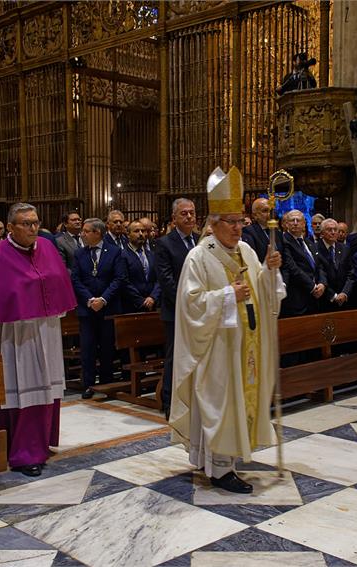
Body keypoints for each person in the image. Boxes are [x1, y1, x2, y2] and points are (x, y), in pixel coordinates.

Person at [170, 166, 285, 494]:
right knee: (219, 404)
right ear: (213, 224)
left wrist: (270, 274)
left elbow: (262, 291)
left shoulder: (247, 251)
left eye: (241, 221)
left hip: (244, 345)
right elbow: (190, 304)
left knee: (238, 402)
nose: (238, 228)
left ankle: (230, 458)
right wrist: (226, 296)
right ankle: (219, 469)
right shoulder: (198, 258)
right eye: (231, 222)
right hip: (216, 348)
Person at [0, 203, 76, 476]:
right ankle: (22, 452)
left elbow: (57, 282)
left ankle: (41, 443)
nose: (33, 228)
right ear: (10, 227)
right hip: (15, 337)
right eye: (26, 223)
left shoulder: (47, 248)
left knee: (45, 389)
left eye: (35, 222)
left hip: (47, 330)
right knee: (23, 391)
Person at [72, 218, 127, 399]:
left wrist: (103, 299)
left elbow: (119, 279)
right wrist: (89, 299)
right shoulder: (79, 254)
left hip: (108, 308)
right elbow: (76, 280)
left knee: (106, 348)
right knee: (87, 349)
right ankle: (88, 385)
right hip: (87, 309)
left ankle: (106, 383)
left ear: (97, 233)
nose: (83, 234)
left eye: (86, 231)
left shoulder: (114, 252)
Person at [155, 198, 198, 418]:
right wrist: (186, 305)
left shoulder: (201, 241)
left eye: (192, 213)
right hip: (176, 311)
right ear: (174, 218)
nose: (189, 217)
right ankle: (170, 402)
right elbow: (166, 280)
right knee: (175, 357)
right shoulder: (165, 243)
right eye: (184, 213)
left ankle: (194, 399)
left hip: (199, 311)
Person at [280, 209, 327, 317]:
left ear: (304, 224)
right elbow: (292, 268)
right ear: (286, 224)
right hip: (297, 299)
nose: (295, 223)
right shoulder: (284, 241)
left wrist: (322, 283)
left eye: (298, 220)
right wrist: (312, 287)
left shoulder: (308, 242)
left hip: (315, 299)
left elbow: (319, 265)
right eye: (292, 220)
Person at [122, 220, 160, 313]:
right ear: (128, 234)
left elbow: (159, 279)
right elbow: (124, 282)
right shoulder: (122, 255)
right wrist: (141, 301)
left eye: (143, 231)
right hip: (132, 307)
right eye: (136, 231)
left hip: (152, 305)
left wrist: (152, 297)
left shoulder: (152, 255)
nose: (141, 234)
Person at [317, 218, 352, 309]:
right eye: (329, 230)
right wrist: (334, 296)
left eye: (335, 230)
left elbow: (351, 272)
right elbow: (318, 274)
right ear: (322, 233)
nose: (333, 232)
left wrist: (345, 292)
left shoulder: (345, 249)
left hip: (344, 298)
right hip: (324, 300)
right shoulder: (315, 249)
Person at [241, 197, 278, 263]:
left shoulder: (277, 233)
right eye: (265, 211)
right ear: (255, 215)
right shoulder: (248, 232)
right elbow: (253, 260)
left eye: (271, 211)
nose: (270, 214)